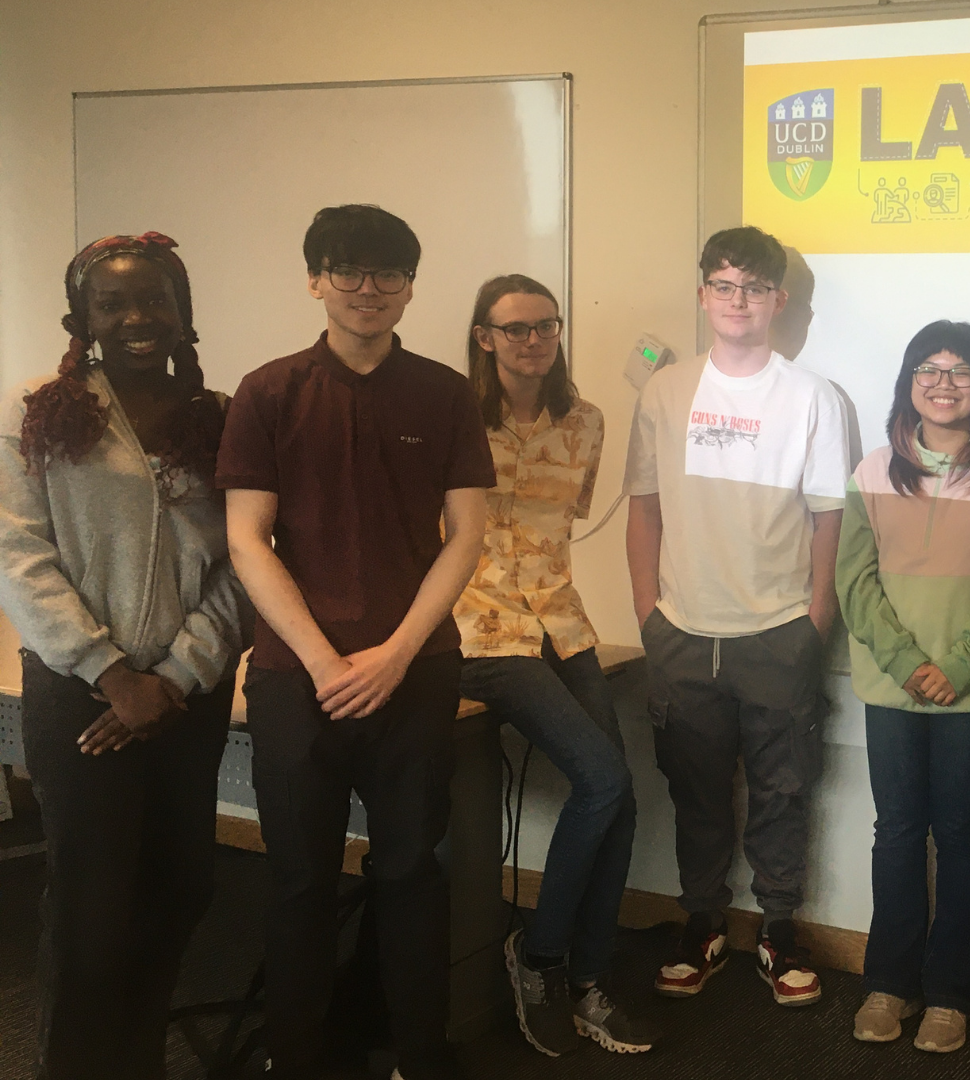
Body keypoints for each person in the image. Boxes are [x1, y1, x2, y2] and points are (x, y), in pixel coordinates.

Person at [218, 205, 495, 1080]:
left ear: (411, 286)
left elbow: (466, 534)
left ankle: (417, 1051)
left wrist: (396, 653)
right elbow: (244, 540)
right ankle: (295, 1057)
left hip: (412, 669)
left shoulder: (446, 393)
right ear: (314, 280)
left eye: (388, 274)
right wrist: (327, 661)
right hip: (296, 675)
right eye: (348, 271)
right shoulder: (267, 392)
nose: (368, 290)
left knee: (412, 871)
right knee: (300, 879)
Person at [0, 233, 248, 1080]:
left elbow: (241, 563)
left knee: (182, 888)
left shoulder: (219, 420)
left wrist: (175, 676)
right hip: (81, 691)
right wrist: (111, 673)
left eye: (157, 300)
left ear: (184, 314)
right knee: (91, 909)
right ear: (84, 319)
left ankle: (138, 1061)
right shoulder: (35, 412)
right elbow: (17, 554)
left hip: (187, 695)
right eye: (115, 304)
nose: (139, 318)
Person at [625, 225, 851, 1009]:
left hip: (779, 631)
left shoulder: (812, 397)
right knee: (695, 791)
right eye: (723, 285)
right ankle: (702, 924)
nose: (738, 300)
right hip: (683, 632)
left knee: (784, 792)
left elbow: (830, 520)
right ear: (703, 295)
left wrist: (814, 622)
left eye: (754, 287)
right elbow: (644, 508)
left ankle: (779, 930)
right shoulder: (666, 391)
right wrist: (648, 612)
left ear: (779, 301)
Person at [454, 274, 657, 1058]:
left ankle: (586, 982)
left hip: (560, 621)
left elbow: (563, 524)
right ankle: (537, 959)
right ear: (485, 338)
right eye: (514, 329)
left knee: (623, 799)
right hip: (480, 630)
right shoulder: (453, 423)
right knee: (603, 780)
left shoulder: (587, 423)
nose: (533, 340)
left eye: (545, 326)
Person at [839, 321, 970, 1054]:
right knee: (896, 834)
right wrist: (906, 660)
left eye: (960, 371)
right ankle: (889, 983)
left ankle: (951, 993)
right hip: (892, 688)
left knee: (961, 834)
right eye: (929, 368)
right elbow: (853, 582)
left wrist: (957, 668)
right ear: (907, 381)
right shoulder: (872, 472)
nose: (943, 383)